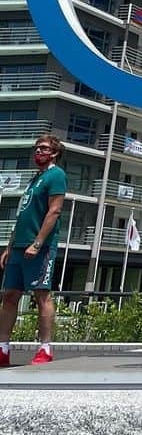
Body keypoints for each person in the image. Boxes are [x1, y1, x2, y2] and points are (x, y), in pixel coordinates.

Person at [0, 135, 67, 366]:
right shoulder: (35, 178)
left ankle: (45, 348)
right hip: (18, 247)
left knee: (41, 294)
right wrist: (10, 246)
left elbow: (54, 211)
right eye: (37, 147)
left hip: (40, 247)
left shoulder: (56, 175)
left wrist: (37, 243)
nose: (38, 151)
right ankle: (3, 348)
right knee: (9, 296)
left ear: (55, 153)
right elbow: (22, 214)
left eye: (44, 148)